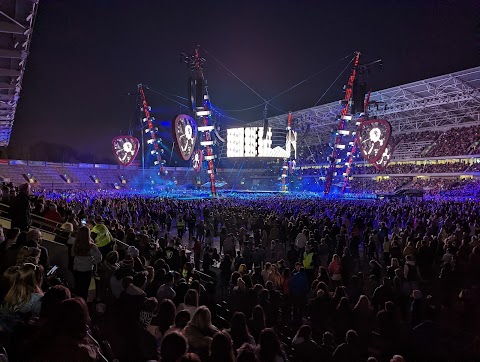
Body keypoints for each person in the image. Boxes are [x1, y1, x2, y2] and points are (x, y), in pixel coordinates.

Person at [72, 226, 102, 301]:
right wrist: (92, 262)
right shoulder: (92, 246)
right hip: (87, 270)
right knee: (84, 289)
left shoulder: (75, 244)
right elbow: (99, 257)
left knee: (77, 288)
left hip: (76, 269)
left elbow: (72, 254)